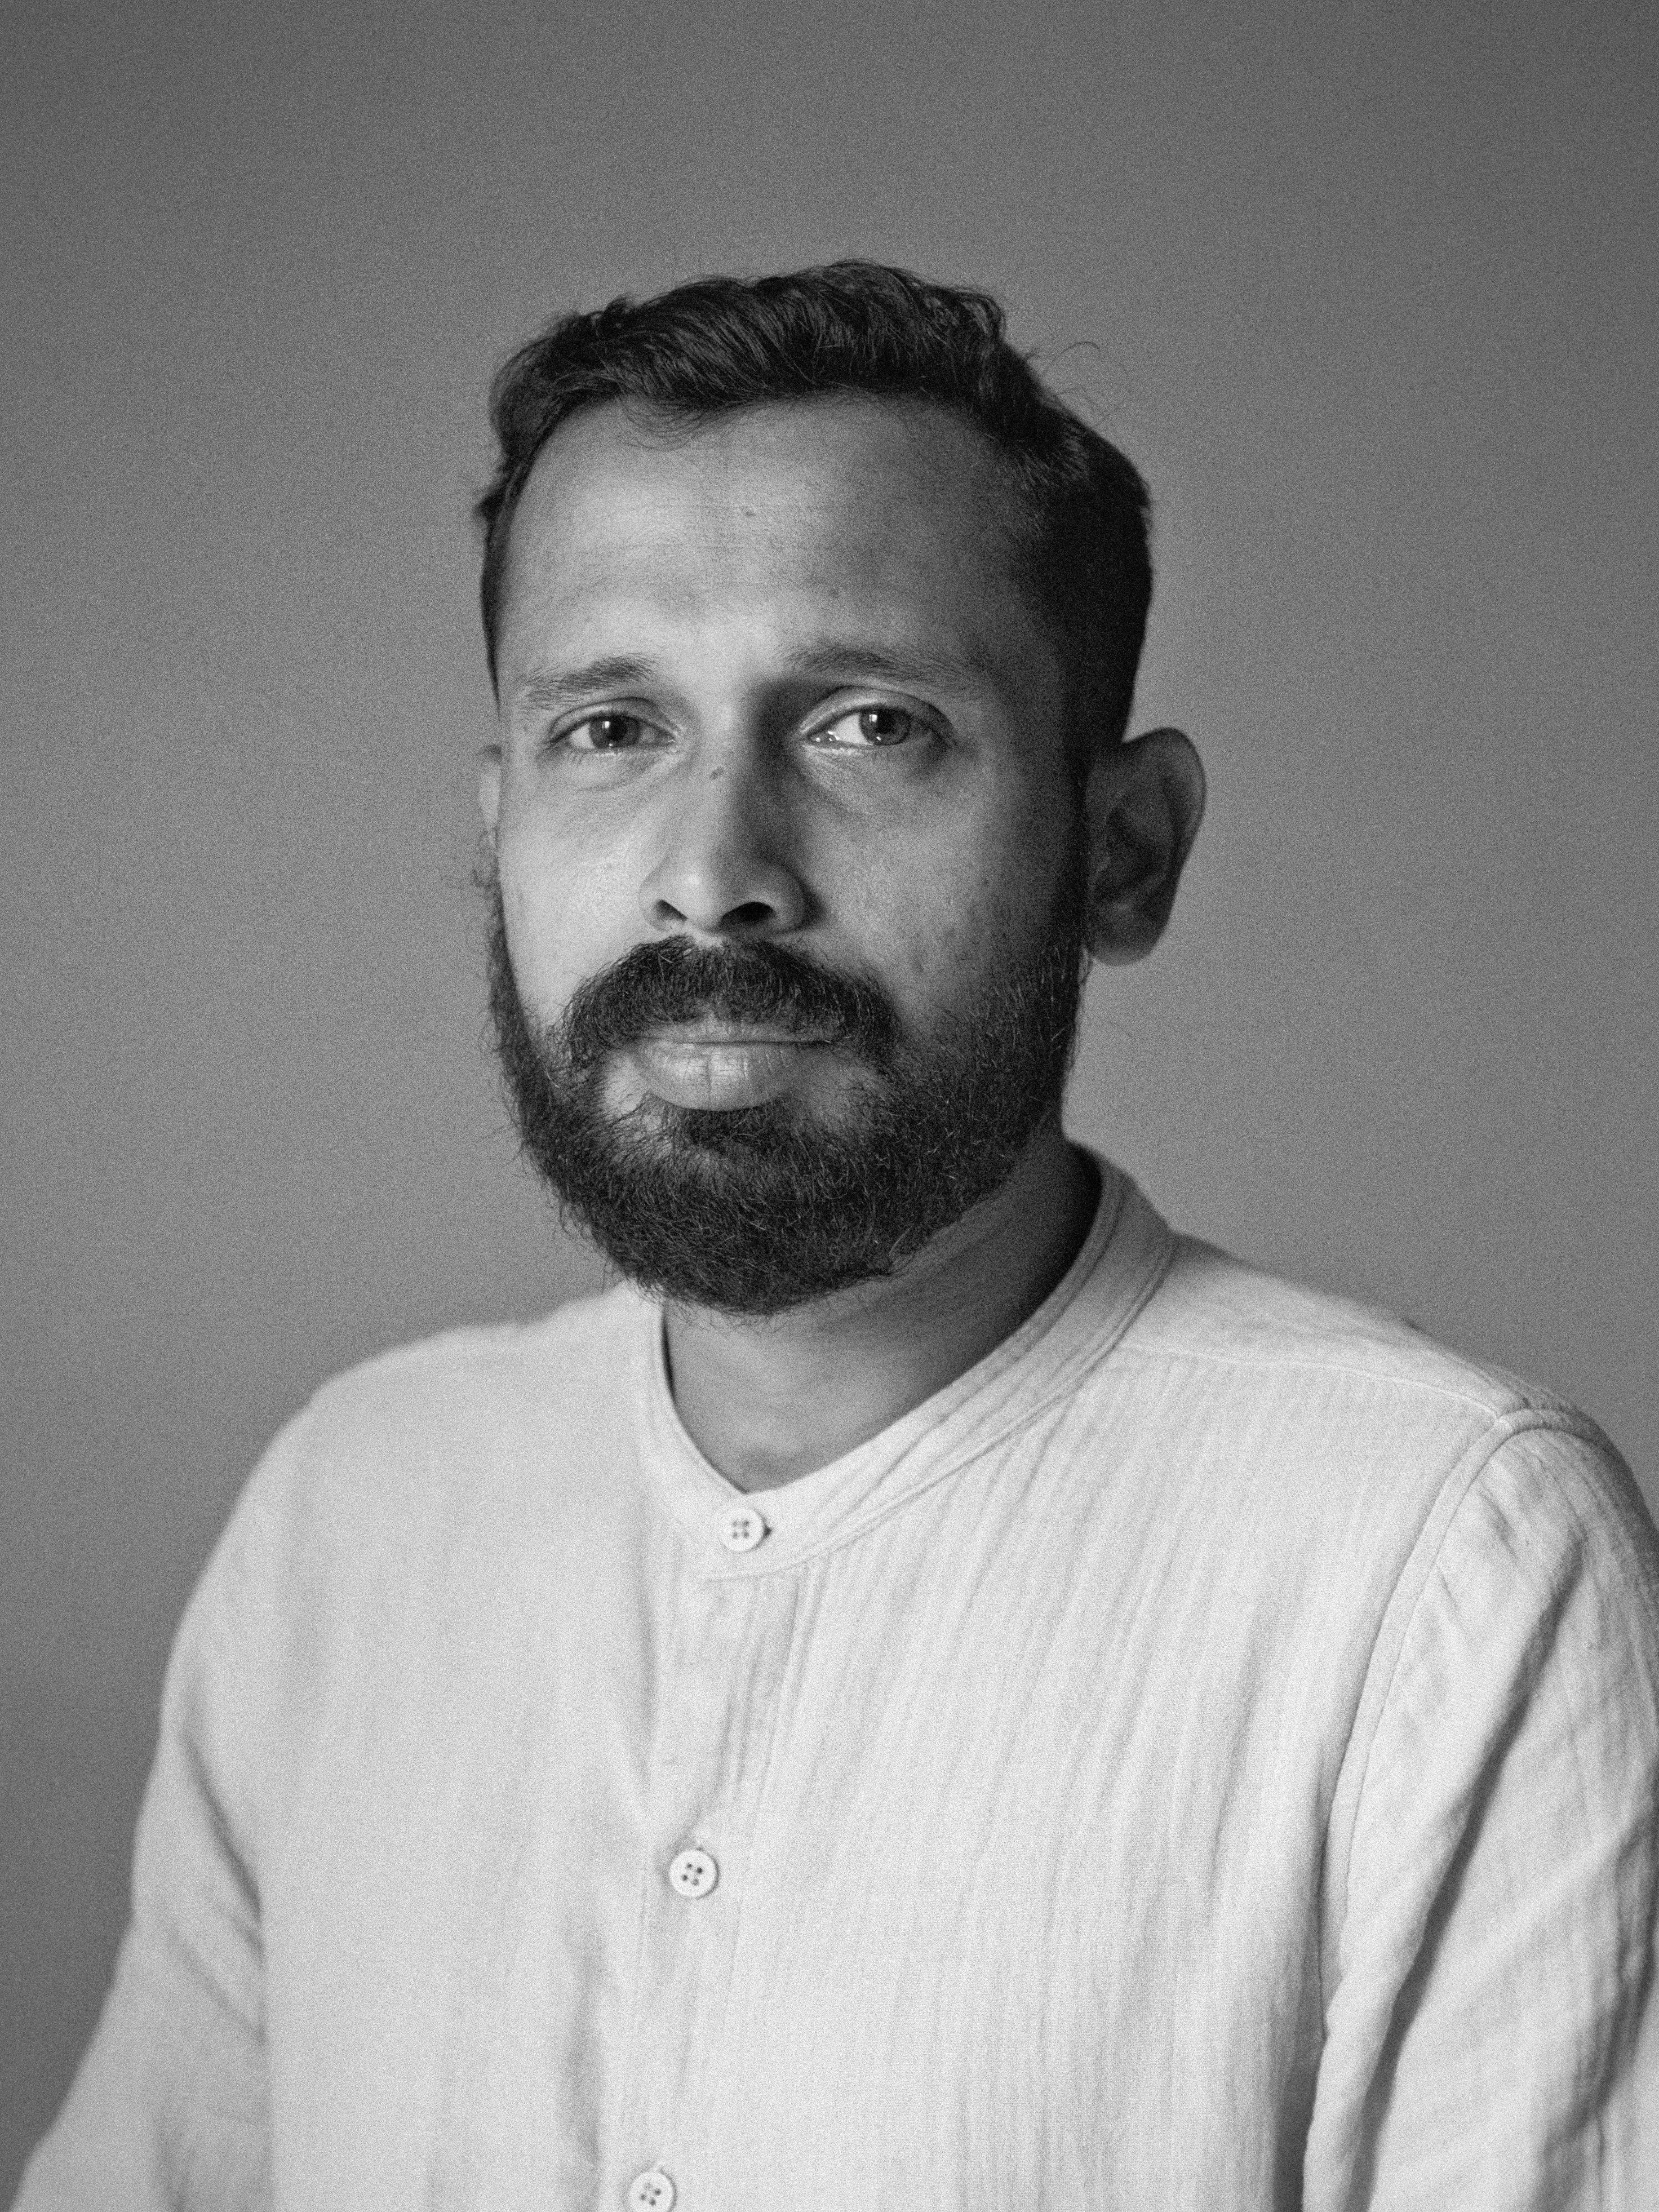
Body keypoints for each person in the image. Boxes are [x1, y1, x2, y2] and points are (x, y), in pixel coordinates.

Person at [15, 262, 1657, 2211]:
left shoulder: (1443, 1572)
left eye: (872, 723)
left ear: (1121, 850)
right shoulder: (347, 1523)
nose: (714, 876)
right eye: (609, 730)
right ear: (500, 823)